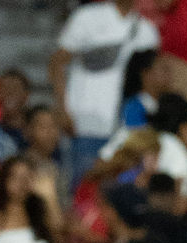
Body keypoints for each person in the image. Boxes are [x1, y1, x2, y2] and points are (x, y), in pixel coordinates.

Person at [49, 0, 160, 187]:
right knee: (81, 189)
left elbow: (151, 76)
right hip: (84, 122)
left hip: (126, 130)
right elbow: (56, 63)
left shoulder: (146, 30)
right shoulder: (88, 17)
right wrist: (63, 108)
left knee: (118, 196)